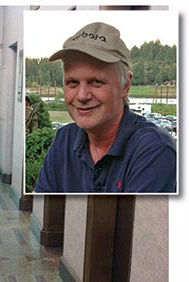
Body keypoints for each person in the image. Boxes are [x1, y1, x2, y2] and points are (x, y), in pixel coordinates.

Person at [34, 21, 177, 193]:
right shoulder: (64, 139)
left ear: (126, 85)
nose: (81, 96)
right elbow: (42, 214)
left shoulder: (154, 149)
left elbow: (132, 221)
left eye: (96, 82)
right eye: (72, 82)